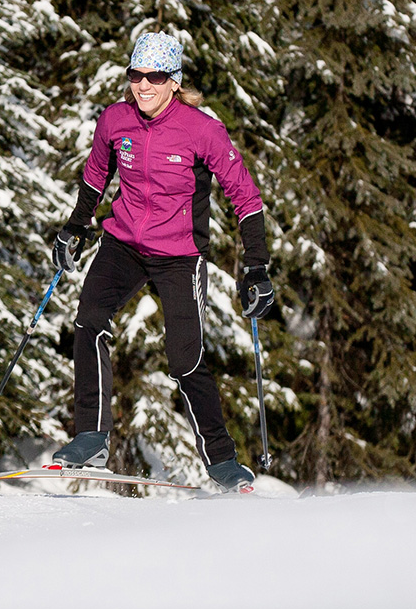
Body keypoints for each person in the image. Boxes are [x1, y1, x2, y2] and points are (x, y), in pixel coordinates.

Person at [50, 32, 277, 493]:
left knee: (185, 360)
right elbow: (96, 175)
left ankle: (222, 461)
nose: (143, 86)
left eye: (154, 77)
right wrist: (77, 224)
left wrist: (256, 265)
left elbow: (246, 198)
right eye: (136, 75)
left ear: (174, 81)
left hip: (179, 256)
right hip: (124, 243)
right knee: (90, 321)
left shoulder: (202, 130)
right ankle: (91, 436)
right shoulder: (116, 120)